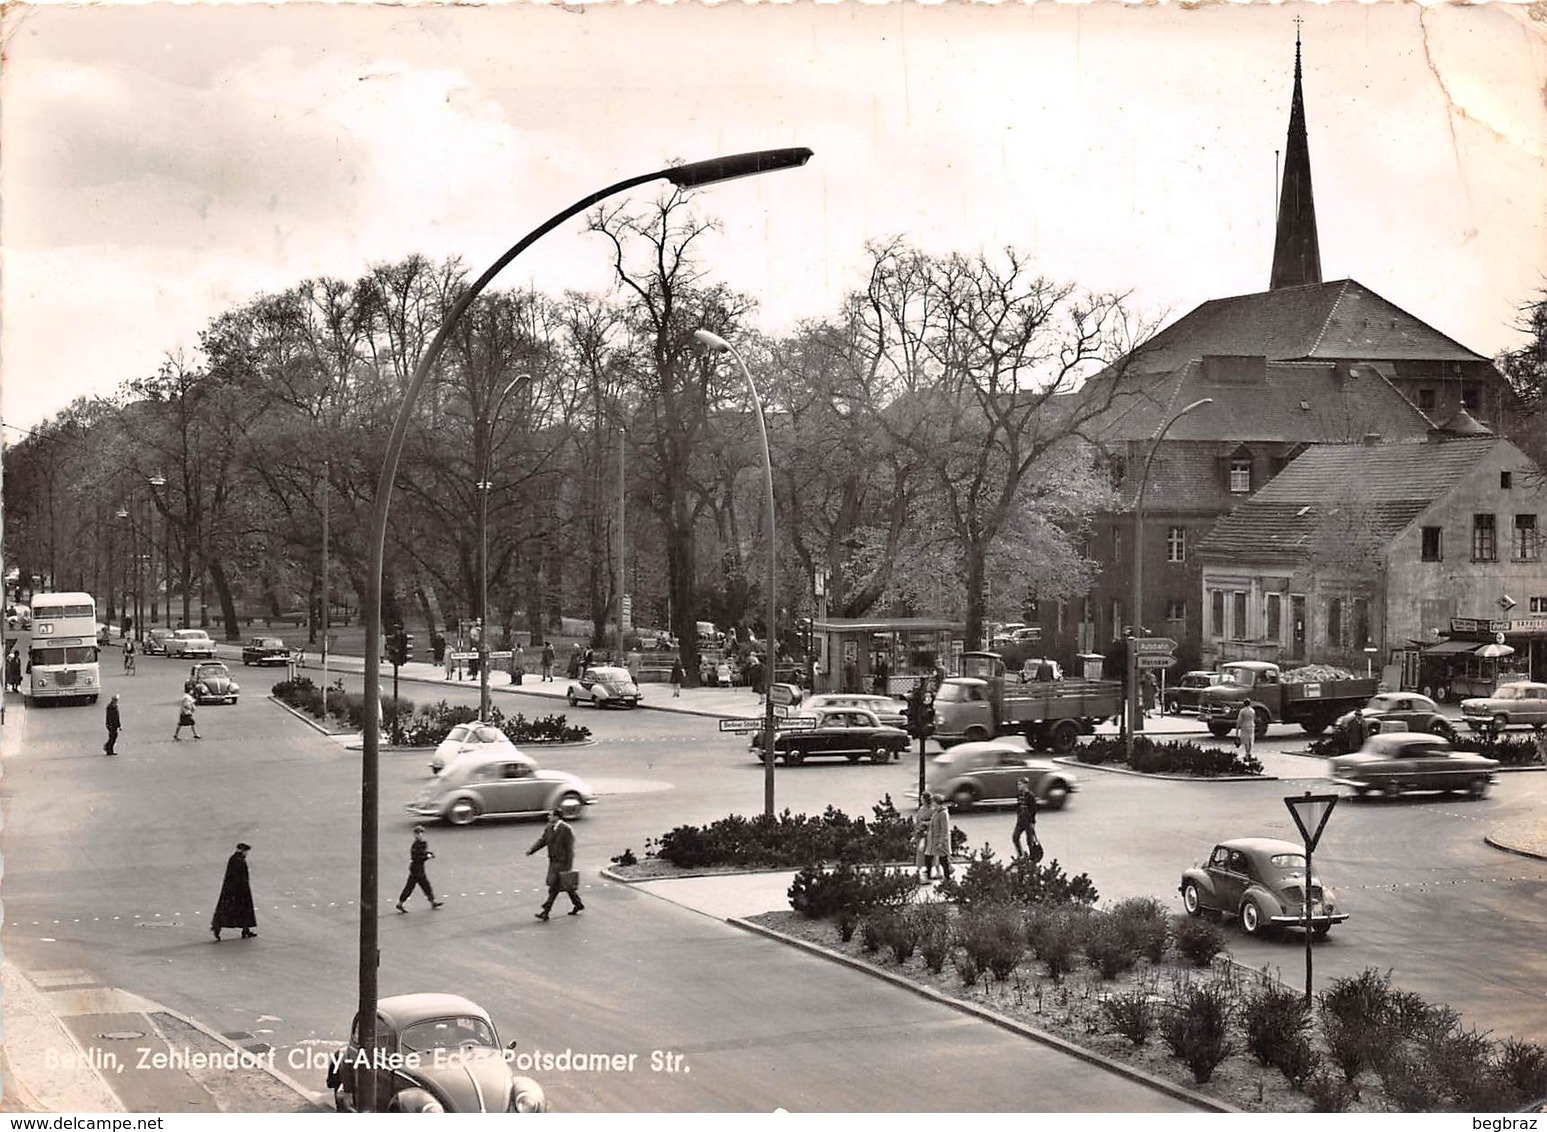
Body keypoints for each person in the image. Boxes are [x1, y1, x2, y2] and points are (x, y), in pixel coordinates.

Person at [526, 808, 583, 921]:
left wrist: (568, 867)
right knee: (565, 887)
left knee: (554, 887)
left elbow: (569, 849)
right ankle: (578, 904)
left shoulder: (566, 829)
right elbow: (542, 841)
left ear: (557, 817)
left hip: (562, 863)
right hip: (553, 861)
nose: (548, 817)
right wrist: (531, 850)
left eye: (551, 815)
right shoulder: (549, 827)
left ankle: (546, 911)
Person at [211, 842, 257, 941]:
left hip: (233, 889)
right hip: (238, 889)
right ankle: (219, 926)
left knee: (236, 909)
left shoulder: (235, 859)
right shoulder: (238, 860)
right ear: (243, 851)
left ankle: (245, 929)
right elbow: (238, 876)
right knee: (242, 909)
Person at [397, 825, 443, 912]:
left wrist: (428, 854)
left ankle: (400, 903)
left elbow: (423, 853)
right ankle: (433, 902)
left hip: (418, 869)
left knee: (411, 887)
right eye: (418, 833)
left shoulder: (422, 843)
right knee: (424, 886)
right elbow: (417, 857)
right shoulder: (416, 845)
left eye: (421, 833)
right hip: (417, 870)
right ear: (415, 834)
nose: (420, 835)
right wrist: (427, 856)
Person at [926, 793, 953, 883]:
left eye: (933, 802)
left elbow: (944, 829)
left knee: (943, 860)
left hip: (940, 841)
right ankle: (945, 877)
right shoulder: (937, 812)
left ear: (936, 803)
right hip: (935, 840)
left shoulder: (943, 814)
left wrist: (941, 842)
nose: (932, 804)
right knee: (939, 859)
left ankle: (947, 877)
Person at [1011, 777, 1041, 860]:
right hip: (1020, 820)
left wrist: (1032, 822)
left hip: (1028, 820)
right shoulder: (1019, 795)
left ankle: (1032, 857)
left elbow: (1033, 809)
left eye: (1020, 784)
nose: (1018, 786)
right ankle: (1020, 854)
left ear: (1025, 785)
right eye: (1018, 784)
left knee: (1030, 840)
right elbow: (1018, 806)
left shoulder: (1030, 796)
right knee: (1015, 837)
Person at [913, 795, 935, 881]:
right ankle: (918, 871)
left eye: (922, 799)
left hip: (928, 835)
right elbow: (918, 820)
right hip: (921, 834)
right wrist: (917, 830)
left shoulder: (932, 810)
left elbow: (934, 821)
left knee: (928, 854)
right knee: (920, 853)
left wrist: (925, 824)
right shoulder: (921, 809)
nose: (921, 800)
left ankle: (928, 872)